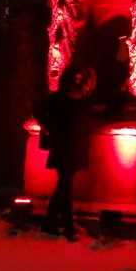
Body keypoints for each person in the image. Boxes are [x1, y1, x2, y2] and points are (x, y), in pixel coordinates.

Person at [33, 63, 95, 241]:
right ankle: (65, 226)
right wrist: (49, 127)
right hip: (62, 146)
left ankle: (52, 224)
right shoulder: (58, 98)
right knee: (65, 185)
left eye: (79, 77)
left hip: (76, 147)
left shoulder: (83, 100)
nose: (76, 80)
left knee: (64, 185)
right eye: (74, 77)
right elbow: (38, 110)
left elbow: (95, 114)